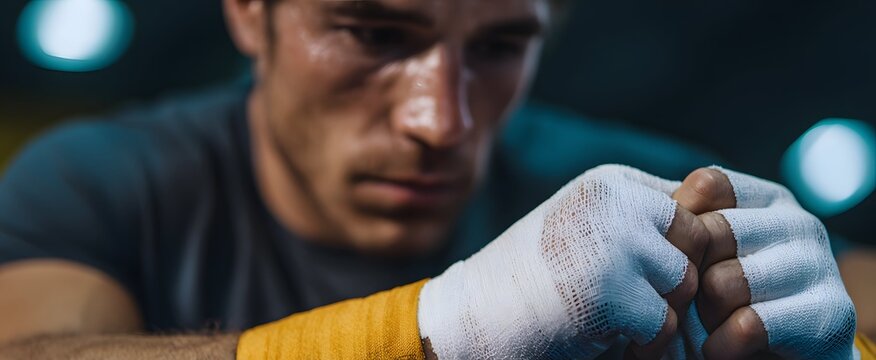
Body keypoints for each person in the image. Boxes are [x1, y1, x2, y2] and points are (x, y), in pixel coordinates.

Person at [0, 0, 871, 358]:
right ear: (247, 13)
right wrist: (437, 327)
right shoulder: (102, 177)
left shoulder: (633, 185)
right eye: (373, 36)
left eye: (498, 47)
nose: (441, 121)